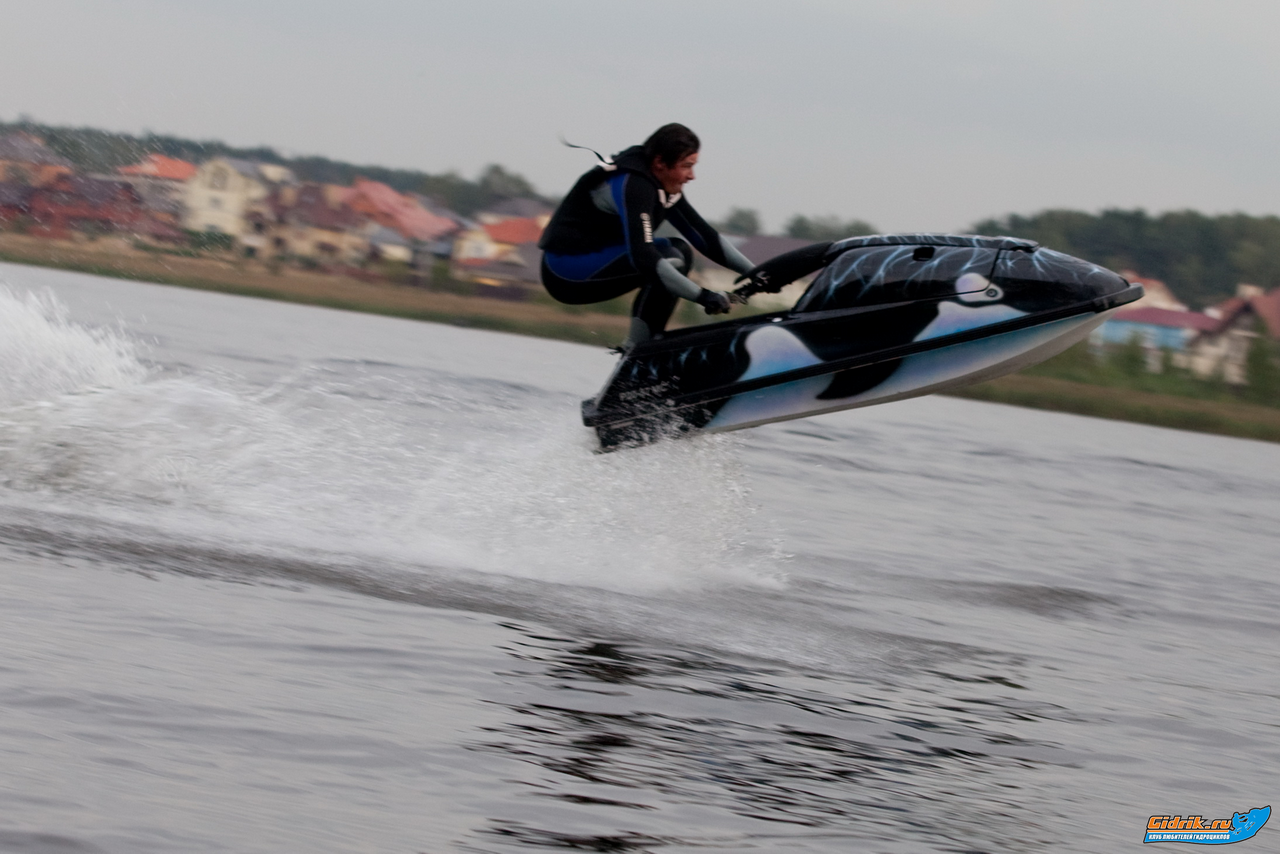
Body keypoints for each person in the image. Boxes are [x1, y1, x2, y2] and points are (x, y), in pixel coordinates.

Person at [539, 123, 756, 350]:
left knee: (680, 250)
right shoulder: (634, 184)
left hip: (593, 263)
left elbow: (704, 237)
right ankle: (637, 350)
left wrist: (757, 274)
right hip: (565, 273)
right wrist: (703, 296)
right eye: (686, 166)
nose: (692, 176)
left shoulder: (660, 183)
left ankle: (646, 345)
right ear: (660, 163)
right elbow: (643, 257)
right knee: (671, 255)